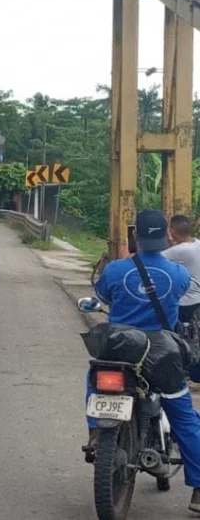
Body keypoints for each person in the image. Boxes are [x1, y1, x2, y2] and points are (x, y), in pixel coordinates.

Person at [92, 209, 200, 512]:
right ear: (166, 236)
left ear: (135, 236)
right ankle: (199, 490)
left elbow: (104, 295)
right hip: (162, 353)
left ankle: (95, 430)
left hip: (120, 348)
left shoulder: (115, 269)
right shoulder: (178, 274)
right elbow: (180, 299)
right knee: (184, 418)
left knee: (96, 380)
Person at [165, 214, 200, 324]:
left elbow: (153, 260)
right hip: (197, 299)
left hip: (183, 302)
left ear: (171, 231)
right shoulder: (197, 243)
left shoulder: (178, 251)